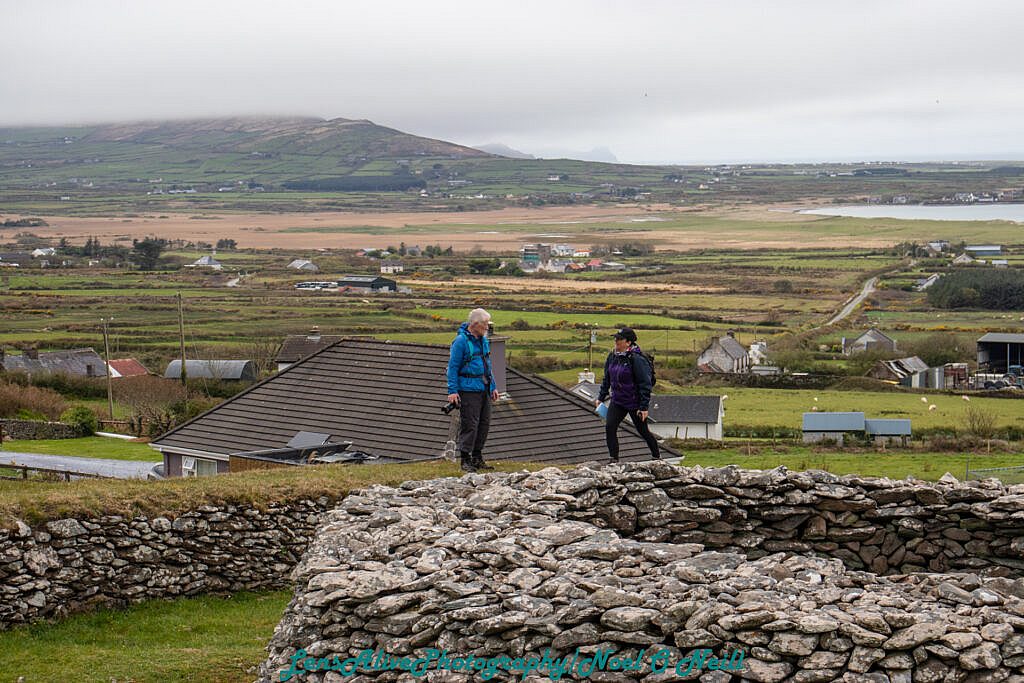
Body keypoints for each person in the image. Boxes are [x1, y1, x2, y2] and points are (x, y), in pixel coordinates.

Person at [594, 327, 661, 462]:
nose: (616, 341)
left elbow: (645, 384)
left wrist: (643, 407)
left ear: (628, 342)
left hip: (634, 402)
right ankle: (613, 459)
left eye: (619, 339)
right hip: (618, 400)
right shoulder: (612, 356)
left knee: (643, 431)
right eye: (615, 338)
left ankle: (657, 457)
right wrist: (601, 397)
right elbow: (607, 378)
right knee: (610, 427)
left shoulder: (637, 359)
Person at [447, 308, 500, 472]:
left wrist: (493, 387)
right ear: (475, 324)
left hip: (483, 387)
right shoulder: (460, 342)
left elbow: (487, 365)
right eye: (485, 324)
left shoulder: (483, 340)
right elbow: (452, 368)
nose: (487, 327)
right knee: (470, 424)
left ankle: (477, 457)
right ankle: (465, 459)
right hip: (468, 389)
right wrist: (452, 391)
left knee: (484, 424)